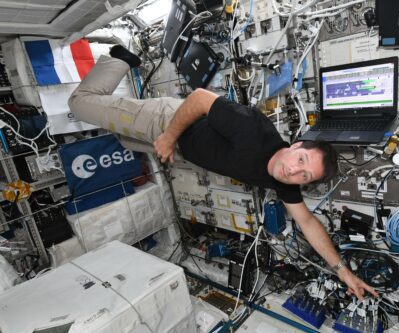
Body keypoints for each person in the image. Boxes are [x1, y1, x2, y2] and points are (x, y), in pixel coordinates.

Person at [68, 45, 379, 300]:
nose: (293, 171)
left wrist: (344, 271)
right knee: (80, 105)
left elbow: (308, 222)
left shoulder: (282, 179)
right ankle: (120, 60)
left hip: (179, 145)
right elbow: (200, 98)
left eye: (304, 176)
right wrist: (169, 137)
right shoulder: (253, 130)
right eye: (300, 160)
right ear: (297, 144)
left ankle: (124, 78)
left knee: (122, 137)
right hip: (167, 122)